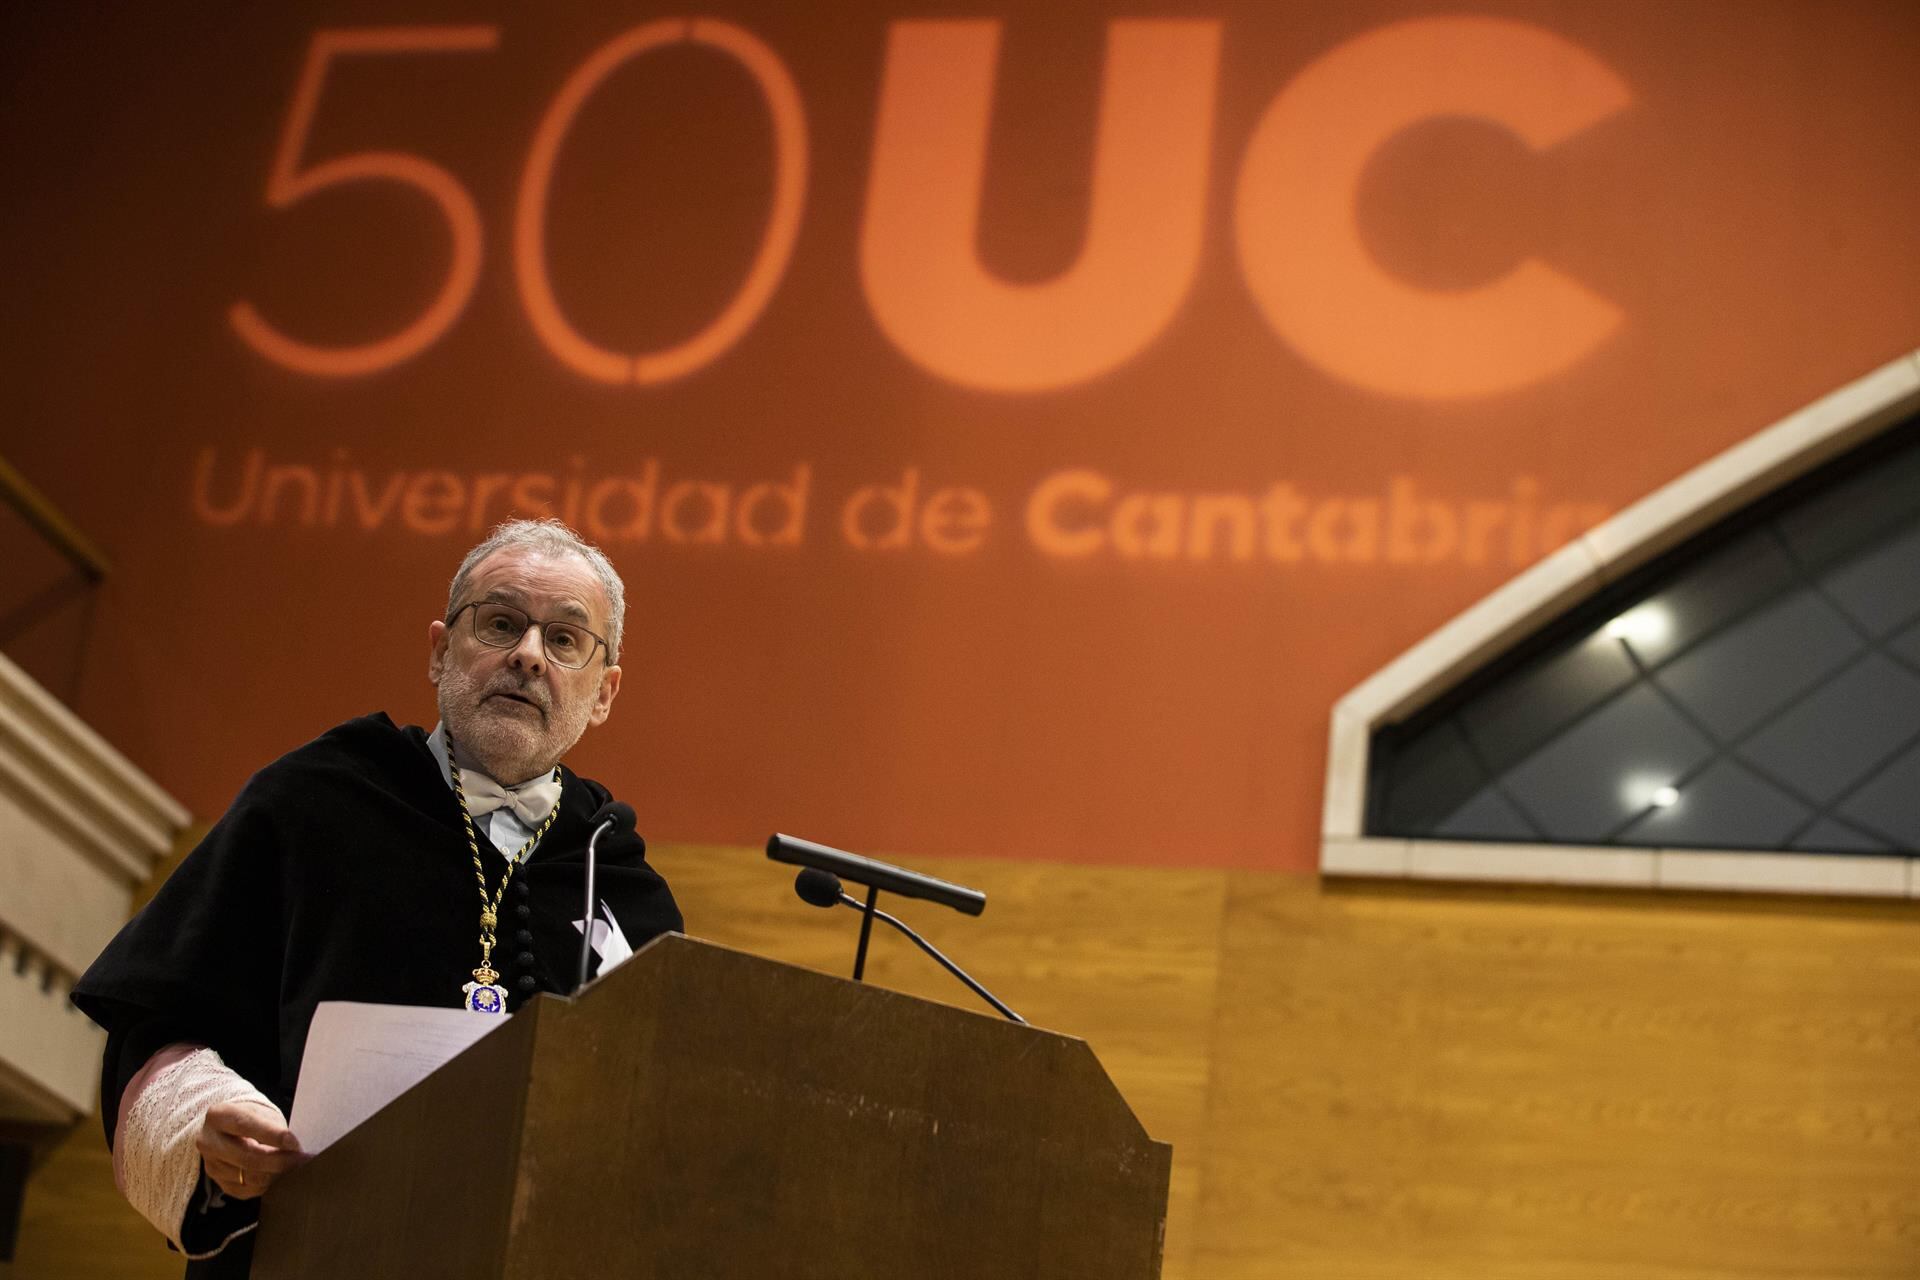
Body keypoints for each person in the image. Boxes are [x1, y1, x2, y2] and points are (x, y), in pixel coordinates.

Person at [70, 519, 682, 1277]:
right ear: (439, 650)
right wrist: (209, 1119)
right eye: (500, 623)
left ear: (604, 694)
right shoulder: (315, 804)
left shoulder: (617, 875)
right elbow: (157, 1016)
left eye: (565, 640)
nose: (528, 654)